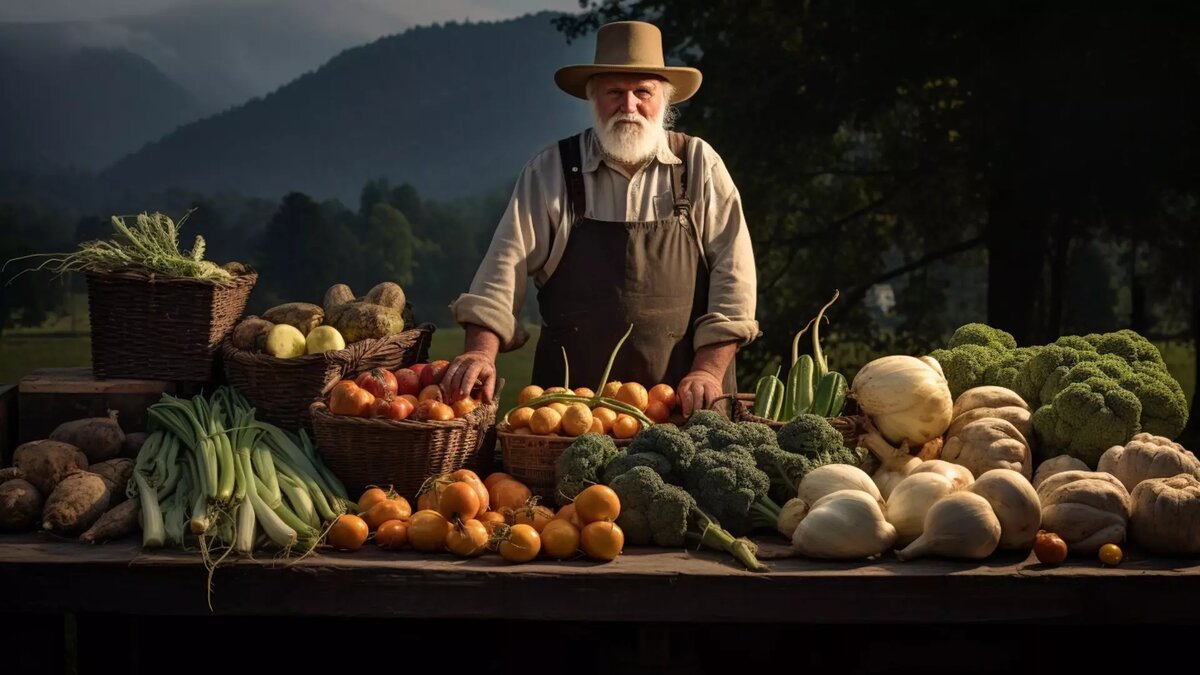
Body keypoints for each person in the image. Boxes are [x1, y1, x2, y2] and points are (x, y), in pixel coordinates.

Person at [441, 20, 759, 416]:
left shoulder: (698, 166)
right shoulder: (551, 171)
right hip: (571, 412)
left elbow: (735, 280)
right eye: (614, 92)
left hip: (686, 405)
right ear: (593, 98)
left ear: (664, 99)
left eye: (642, 92)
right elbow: (503, 268)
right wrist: (480, 353)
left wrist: (709, 372)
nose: (628, 106)